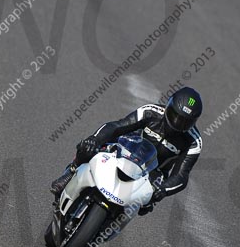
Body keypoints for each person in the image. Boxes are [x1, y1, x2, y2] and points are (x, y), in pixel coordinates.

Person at [50, 87, 203, 213]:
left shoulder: (194, 142)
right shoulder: (150, 112)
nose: (177, 123)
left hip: (154, 172)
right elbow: (118, 126)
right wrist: (95, 139)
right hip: (127, 148)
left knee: (146, 203)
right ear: (168, 106)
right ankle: (71, 171)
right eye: (175, 116)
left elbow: (181, 175)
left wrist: (163, 190)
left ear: (193, 122)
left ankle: (109, 224)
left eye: (184, 122)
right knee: (90, 146)